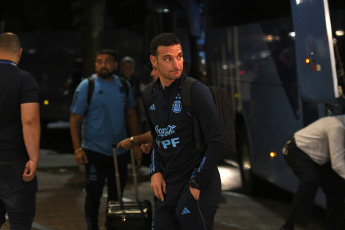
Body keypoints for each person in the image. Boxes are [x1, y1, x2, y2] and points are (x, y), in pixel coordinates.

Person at [145, 33, 227, 229]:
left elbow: (217, 141)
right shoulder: (148, 94)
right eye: (168, 58)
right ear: (153, 61)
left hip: (197, 183)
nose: (176, 64)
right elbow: (158, 136)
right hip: (168, 185)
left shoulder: (196, 90)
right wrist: (154, 171)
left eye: (179, 56)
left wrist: (196, 183)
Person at [69, 49, 139, 230]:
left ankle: (112, 226)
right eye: (99, 61)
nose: (103, 65)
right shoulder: (87, 86)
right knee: (93, 195)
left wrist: (136, 143)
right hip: (94, 151)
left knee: (117, 195)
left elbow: (131, 115)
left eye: (107, 61)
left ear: (115, 65)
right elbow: (75, 119)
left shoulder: (123, 85)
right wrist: (78, 149)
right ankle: (92, 226)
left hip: (120, 151)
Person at [0, 32, 40, 229]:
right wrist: (33, 158)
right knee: (20, 224)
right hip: (15, 164)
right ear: (20, 52)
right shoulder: (24, 79)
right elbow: (30, 120)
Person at [280, 115, 345, 230]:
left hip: (318, 157)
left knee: (336, 187)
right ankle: (289, 225)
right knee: (310, 180)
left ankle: (334, 227)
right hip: (296, 149)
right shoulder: (337, 127)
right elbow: (338, 164)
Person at [119, 56, 147, 133]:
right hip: (121, 113)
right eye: (126, 66)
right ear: (122, 67)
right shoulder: (117, 80)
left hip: (135, 111)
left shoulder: (135, 81)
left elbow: (139, 96)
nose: (129, 68)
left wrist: (142, 113)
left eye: (130, 66)